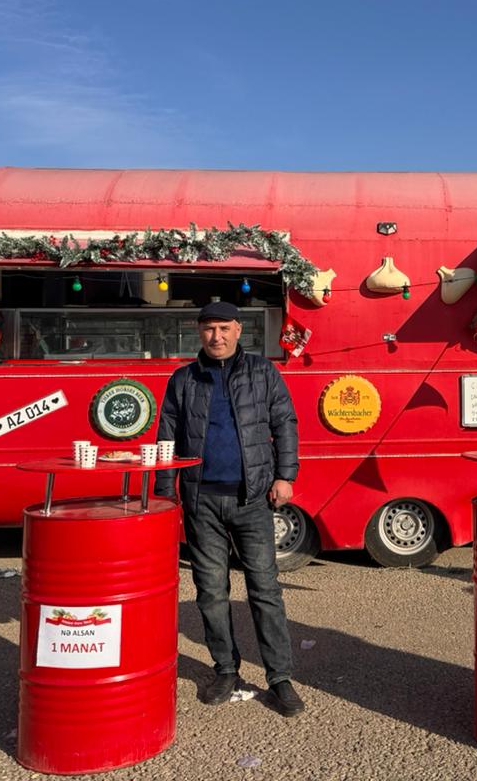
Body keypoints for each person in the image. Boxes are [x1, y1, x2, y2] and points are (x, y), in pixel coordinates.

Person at [154, 300, 305, 715]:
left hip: (252, 498)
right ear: (198, 332)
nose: (216, 336)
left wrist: (285, 475)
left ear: (239, 329)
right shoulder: (183, 379)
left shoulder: (262, 372)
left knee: (265, 590)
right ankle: (225, 669)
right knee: (210, 592)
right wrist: (166, 492)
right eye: (209, 329)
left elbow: (285, 423)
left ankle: (279, 677)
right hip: (201, 501)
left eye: (224, 328)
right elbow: (166, 435)